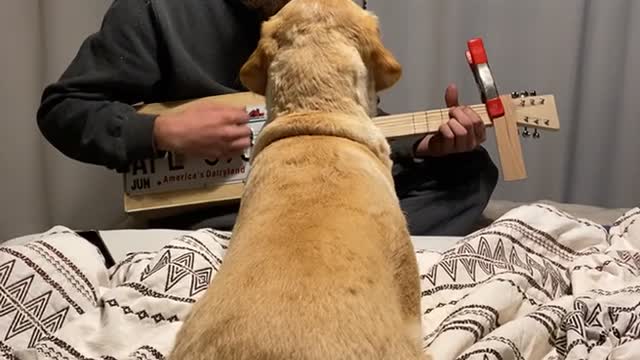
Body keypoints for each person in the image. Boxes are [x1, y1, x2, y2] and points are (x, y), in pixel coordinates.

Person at [36, 0, 498, 236]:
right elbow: (64, 109)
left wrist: (418, 148)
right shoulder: (154, 8)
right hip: (224, 208)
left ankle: (316, 243)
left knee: (469, 172)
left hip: (326, 180)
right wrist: (160, 131)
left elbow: (351, 113)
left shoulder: (333, 5)